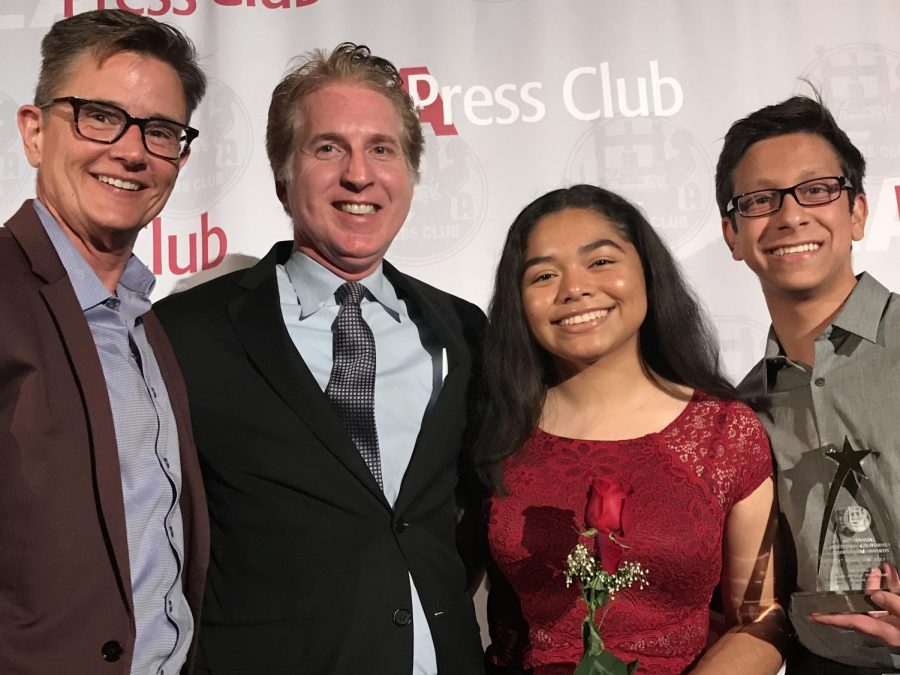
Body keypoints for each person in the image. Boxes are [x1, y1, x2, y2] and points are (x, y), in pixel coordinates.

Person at [154, 43, 486, 675]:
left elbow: (467, 519)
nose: (359, 175)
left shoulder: (463, 331)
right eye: (328, 147)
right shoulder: (185, 333)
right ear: (284, 177)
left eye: (383, 149)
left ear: (410, 174)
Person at [475, 184, 786, 675]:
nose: (574, 288)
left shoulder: (724, 432)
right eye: (544, 274)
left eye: (600, 262)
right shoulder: (492, 432)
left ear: (647, 271)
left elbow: (762, 616)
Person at [0, 9, 208, 674]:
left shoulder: (150, 323)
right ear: (34, 132)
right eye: (99, 115)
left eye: (160, 131)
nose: (130, 149)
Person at [718, 94, 900, 673]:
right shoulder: (742, 410)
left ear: (859, 213)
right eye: (761, 199)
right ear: (733, 234)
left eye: (817, 189)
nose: (791, 215)